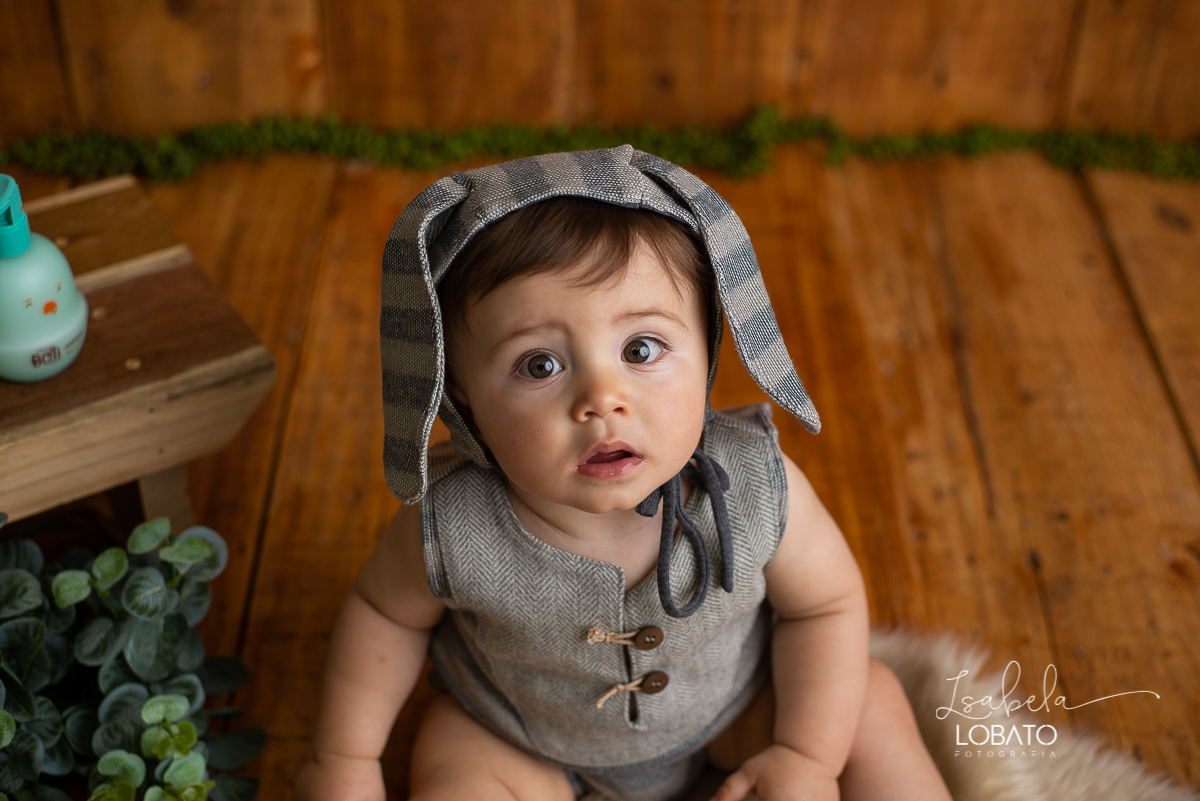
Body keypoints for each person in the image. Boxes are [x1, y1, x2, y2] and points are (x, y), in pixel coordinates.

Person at [295, 146, 952, 801]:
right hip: (523, 737)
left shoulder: (756, 484)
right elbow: (384, 613)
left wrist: (806, 754)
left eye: (641, 349)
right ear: (459, 396)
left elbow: (825, 606)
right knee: (457, 762)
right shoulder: (452, 523)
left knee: (870, 698)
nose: (601, 399)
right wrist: (344, 756)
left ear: (708, 347)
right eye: (539, 365)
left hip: (731, 711)